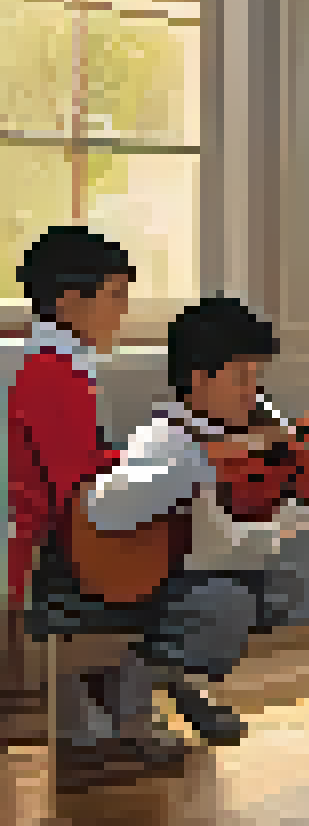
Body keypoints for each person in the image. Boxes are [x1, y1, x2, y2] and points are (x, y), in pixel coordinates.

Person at [65, 297, 309, 758]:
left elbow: (260, 516)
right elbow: (109, 510)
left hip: (199, 566)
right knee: (227, 601)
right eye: (240, 378)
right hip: (143, 581)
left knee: (281, 588)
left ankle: (183, 678)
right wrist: (206, 470)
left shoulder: (249, 431)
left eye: (256, 378)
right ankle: (138, 697)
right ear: (198, 380)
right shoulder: (165, 437)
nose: (252, 391)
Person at [5, 227, 140, 775]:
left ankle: (113, 722)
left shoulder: (54, 367)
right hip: (39, 552)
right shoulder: (49, 376)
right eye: (114, 296)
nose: (123, 312)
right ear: (67, 302)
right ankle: (112, 729)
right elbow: (80, 486)